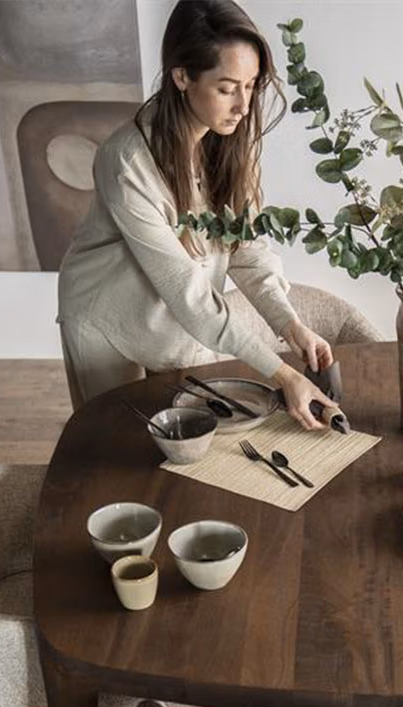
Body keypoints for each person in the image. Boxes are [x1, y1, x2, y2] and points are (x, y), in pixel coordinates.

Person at [57, 0, 334, 430]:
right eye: (227, 88)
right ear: (182, 76)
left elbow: (247, 250)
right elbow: (188, 292)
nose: (243, 106)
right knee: (115, 444)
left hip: (173, 317)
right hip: (105, 319)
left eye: (252, 85)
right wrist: (282, 374)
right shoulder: (127, 161)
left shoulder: (231, 146)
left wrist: (290, 325)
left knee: (191, 442)